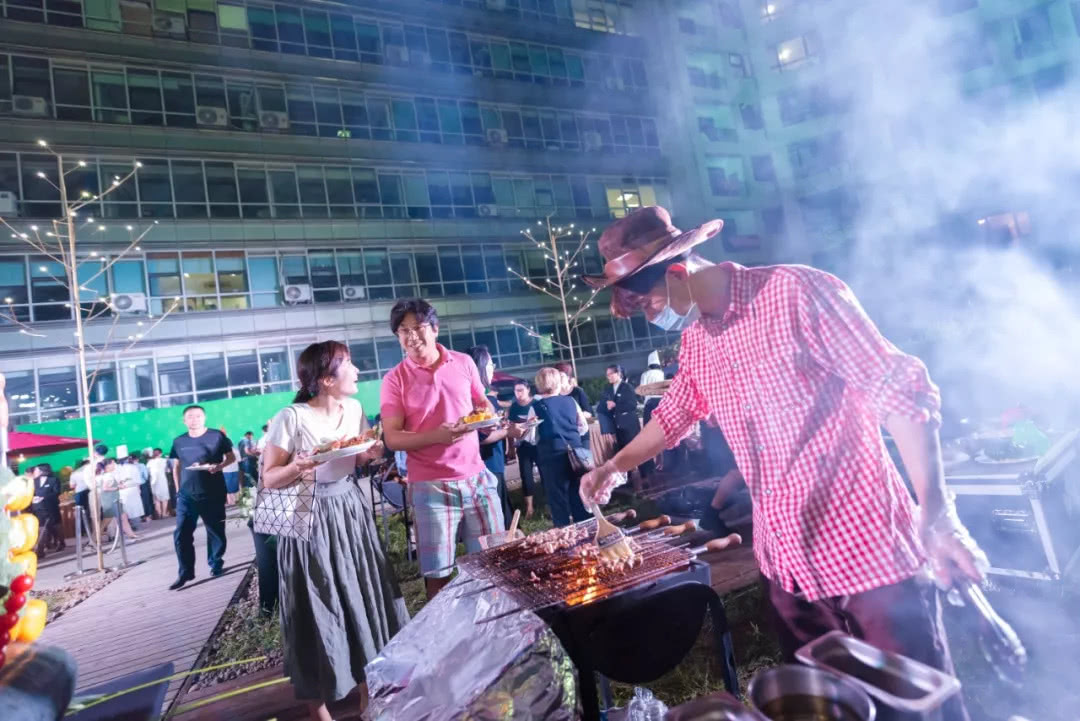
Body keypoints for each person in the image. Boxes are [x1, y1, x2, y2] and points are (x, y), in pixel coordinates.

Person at [578, 205, 987, 721]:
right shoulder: (697, 340)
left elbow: (899, 389)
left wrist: (936, 510)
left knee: (920, 714)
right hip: (789, 571)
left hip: (871, 560)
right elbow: (678, 410)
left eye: (649, 303)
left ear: (678, 269)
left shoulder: (797, 293)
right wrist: (615, 464)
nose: (650, 317)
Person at [261, 340, 408, 721]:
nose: (357, 371)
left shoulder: (354, 408)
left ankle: (366, 694)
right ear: (326, 379)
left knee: (361, 595)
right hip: (308, 515)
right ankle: (319, 707)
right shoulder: (290, 417)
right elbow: (269, 477)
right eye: (349, 365)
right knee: (316, 602)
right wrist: (299, 467)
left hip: (349, 508)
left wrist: (369, 455)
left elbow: (355, 456)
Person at [380, 298, 504, 599]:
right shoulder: (394, 379)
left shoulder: (463, 362)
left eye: (418, 328)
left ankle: (497, 627)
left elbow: (481, 402)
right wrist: (437, 436)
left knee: (496, 560)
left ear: (435, 329)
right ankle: (447, 637)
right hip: (429, 487)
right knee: (438, 574)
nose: (412, 336)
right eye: (403, 330)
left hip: (477, 478)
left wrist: (487, 417)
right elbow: (393, 439)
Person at [510, 367, 591, 527]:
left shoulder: (536, 407)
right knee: (579, 494)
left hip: (551, 457)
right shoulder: (571, 401)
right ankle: (587, 531)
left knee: (557, 499)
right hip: (576, 454)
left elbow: (532, 437)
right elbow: (583, 428)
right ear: (558, 383)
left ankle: (565, 535)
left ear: (539, 384)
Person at [168, 405, 234, 590]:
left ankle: (215, 563)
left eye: (198, 416)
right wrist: (178, 490)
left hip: (213, 491)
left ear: (204, 418)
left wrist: (219, 467)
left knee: (215, 531)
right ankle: (185, 572)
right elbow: (177, 467)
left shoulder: (217, 436)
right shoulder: (178, 441)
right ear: (184, 420)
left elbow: (231, 458)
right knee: (181, 533)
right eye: (190, 417)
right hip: (187, 495)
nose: (194, 419)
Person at [467, 345, 513, 529]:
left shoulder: (483, 398)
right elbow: (480, 438)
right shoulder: (471, 399)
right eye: (490, 363)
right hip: (486, 465)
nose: (493, 367)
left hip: (495, 462)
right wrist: (508, 431)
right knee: (496, 523)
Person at [599, 364, 653, 485]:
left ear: (618, 374)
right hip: (617, 424)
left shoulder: (627, 387)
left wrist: (615, 406)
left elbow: (632, 405)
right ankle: (626, 475)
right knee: (621, 451)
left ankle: (646, 472)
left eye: (610, 374)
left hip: (629, 424)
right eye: (607, 375)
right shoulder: (608, 389)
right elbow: (604, 404)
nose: (608, 377)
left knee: (635, 448)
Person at [507, 380, 537, 519]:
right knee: (525, 474)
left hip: (538, 443)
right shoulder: (514, 408)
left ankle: (549, 501)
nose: (518, 394)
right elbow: (510, 428)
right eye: (516, 391)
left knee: (545, 471)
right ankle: (529, 507)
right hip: (522, 444)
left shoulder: (536, 403)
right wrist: (511, 447)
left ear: (528, 390)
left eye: (521, 390)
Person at [98, 458, 137, 542]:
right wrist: (118, 487)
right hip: (111, 501)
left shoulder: (106, 474)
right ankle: (94, 540)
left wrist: (119, 484)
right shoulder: (108, 475)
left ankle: (132, 535)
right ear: (108, 466)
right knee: (107, 522)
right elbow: (105, 488)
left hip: (112, 500)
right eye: (113, 463)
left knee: (123, 518)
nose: (114, 465)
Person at [30, 464, 63, 556]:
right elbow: (31, 493)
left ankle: (61, 542)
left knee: (56, 526)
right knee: (42, 528)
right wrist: (32, 498)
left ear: (42, 471)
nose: (35, 472)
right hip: (38, 507)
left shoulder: (54, 480)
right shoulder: (34, 481)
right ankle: (40, 550)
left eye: (36, 470)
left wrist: (43, 497)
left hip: (51, 507)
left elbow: (56, 492)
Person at [116, 455, 145, 528]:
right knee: (134, 508)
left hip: (122, 490)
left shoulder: (116, 468)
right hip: (132, 489)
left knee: (125, 508)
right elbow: (138, 480)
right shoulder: (133, 467)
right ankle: (135, 525)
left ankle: (127, 526)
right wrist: (139, 489)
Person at [639, 351, 666, 425]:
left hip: (650, 402)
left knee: (648, 425)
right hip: (661, 402)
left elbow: (642, 390)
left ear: (649, 364)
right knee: (661, 425)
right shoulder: (662, 373)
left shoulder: (645, 374)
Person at [147, 448, 170, 519]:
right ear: (160, 454)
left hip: (153, 481)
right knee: (164, 498)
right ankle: (164, 513)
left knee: (156, 498)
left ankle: (159, 514)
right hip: (162, 480)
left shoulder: (150, 462)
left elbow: (148, 472)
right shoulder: (164, 461)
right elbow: (168, 470)